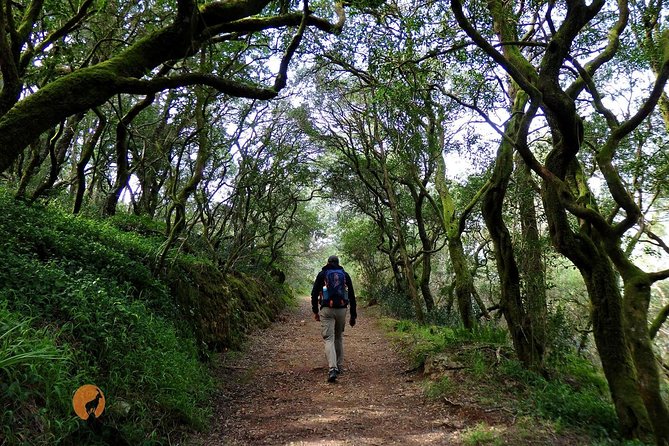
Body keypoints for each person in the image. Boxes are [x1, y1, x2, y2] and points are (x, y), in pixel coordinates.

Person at [311, 255, 357, 383]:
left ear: (328, 262)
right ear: (338, 263)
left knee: (329, 338)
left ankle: (332, 369)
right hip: (342, 309)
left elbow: (314, 293)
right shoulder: (345, 275)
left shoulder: (322, 274)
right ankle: (339, 366)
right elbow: (352, 296)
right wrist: (353, 315)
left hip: (326, 309)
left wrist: (315, 311)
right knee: (338, 337)